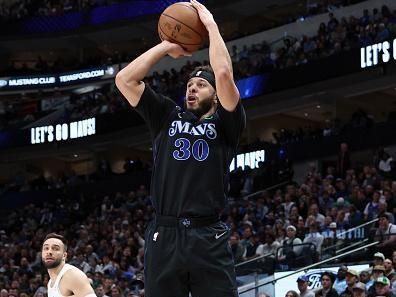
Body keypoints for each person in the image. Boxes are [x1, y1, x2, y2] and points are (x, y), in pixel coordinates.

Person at [115, 0, 246, 296]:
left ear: (215, 96)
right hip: (165, 232)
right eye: (189, 84)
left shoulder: (227, 123)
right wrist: (166, 45)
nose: (192, 88)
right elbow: (124, 79)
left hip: (208, 234)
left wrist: (210, 25)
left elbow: (224, 74)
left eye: (200, 85)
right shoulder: (167, 116)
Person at [42, 233, 96, 297]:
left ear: (64, 256)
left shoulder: (72, 275)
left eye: (55, 248)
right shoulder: (50, 282)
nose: (49, 252)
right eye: (46, 248)